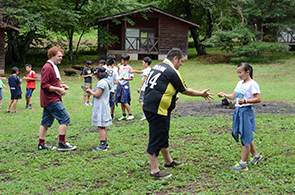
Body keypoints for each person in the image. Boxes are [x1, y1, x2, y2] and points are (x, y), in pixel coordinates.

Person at [143, 48, 214, 179]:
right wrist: (201, 94)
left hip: (151, 106)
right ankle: (154, 170)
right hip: (157, 109)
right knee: (156, 137)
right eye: (181, 61)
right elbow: (184, 90)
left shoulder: (158, 66)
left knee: (163, 134)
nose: (181, 63)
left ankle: (168, 162)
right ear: (175, 58)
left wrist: (170, 95)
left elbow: (158, 85)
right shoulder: (172, 71)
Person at [218, 62, 262, 171]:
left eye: (240, 72)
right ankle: (256, 156)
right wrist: (225, 95)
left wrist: (246, 100)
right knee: (245, 133)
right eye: (237, 72)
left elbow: (258, 99)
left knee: (245, 137)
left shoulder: (253, 84)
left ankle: (243, 164)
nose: (238, 74)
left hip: (246, 111)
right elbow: (233, 96)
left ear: (248, 72)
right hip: (238, 111)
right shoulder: (240, 83)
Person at [38, 46, 77, 151]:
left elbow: (51, 83)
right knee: (65, 118)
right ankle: (62, 143)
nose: (61, 58)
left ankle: (41, 144)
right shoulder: (47, 67)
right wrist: (58, 90)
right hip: (52, 99)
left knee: (45, 122)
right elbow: (44, 85)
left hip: (49, 99)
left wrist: (61, 86)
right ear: (52, 56)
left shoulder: (52, 66)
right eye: (59, 56)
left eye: (61, 56)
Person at [85, 66, 112, 151]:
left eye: (96, 75)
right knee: (103, 126)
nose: (95, 77)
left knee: (100, 126)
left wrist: (89, 91)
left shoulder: (101, 83)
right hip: (104, 105)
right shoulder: (107, 81)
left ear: (100, 74)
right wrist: (92, 90)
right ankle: (105, 143)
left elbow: (97, 94)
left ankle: (102, 145)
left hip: (101, 107)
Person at [130, 56, 152, 121]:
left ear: (146, 63)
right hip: (148, 88)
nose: (142, 64)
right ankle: (147, 113)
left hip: (144, 88)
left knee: (141, 101)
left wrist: (140, 87)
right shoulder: (149, 69)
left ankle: (145, 114)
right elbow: (140, 72)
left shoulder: (146, 71)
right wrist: (134, 71)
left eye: (143, 63)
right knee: (146, 101)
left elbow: (144, 79)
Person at [116, 53, 134, 121]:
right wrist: (118, 68)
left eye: (124, 60)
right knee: (121, 100)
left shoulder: (129, 68)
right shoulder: (120, 66)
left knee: (125, 100)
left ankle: (130, 114)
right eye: (122, 60)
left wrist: (125, 79)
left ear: (127, 61)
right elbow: (118, 74)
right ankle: (124, 115)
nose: (122, 61)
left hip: (125, 84)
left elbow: (131, 78)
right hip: (120, 84)